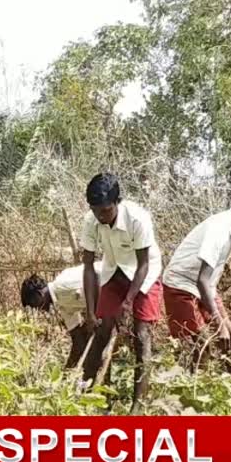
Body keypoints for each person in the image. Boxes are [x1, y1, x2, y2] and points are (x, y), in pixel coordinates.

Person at [162, 179, 231, 378]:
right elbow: (201, 279)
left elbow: (207, 281)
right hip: (181, 284)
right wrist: (218, 322)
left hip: (206, 287)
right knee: (200, 344)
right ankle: (193, 395)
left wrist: (223, 323)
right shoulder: (219, 229)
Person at [79, 173, 163, 414]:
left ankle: (137, 406)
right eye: (95, 211)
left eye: (105, 211)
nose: (100, 217)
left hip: (143, 274)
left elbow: (144, 265)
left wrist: (128, 302)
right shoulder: (91, 220)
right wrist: (91, 311)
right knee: (101, 329)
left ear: (118, 202)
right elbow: (87, 266)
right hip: (113, 272)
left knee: (141, 334)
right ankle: (90, 394)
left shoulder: (138, 219)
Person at [20, 262, 102, 369]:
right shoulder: (62, 306)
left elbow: (97, 278)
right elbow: (78, 341)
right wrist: (65, 373)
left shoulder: (63, 284)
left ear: (39, 295)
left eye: (34, 305)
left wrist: (93, 315)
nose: (38, 309)